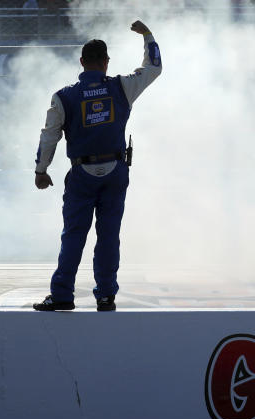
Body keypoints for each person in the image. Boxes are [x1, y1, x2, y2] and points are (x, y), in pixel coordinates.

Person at [33, 19, 162, 312]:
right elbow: (154, 67)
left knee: (73, 235)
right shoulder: (121, 87)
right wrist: (147, 35)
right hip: (115, 171)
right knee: (108, 236)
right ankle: (105, 295)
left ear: (81, 62)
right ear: (106, 62)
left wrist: (41, 171)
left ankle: (63, 294)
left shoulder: (64, 96)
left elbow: (48, 135)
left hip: (81, 173)